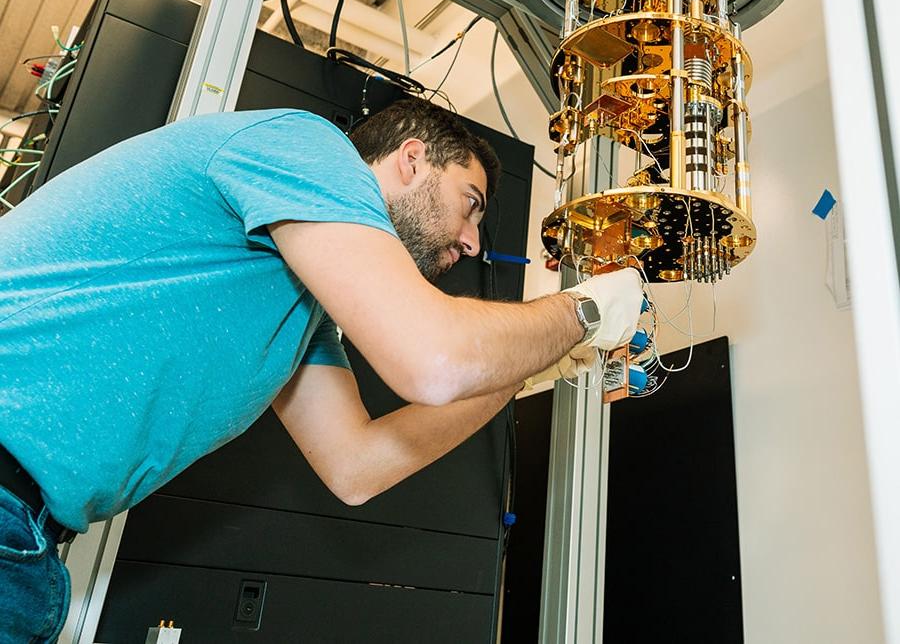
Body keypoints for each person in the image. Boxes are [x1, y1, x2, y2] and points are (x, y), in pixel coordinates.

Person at [0, 97, 643, 641]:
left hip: (30, 536)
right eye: (469, 203)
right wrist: (583, 308)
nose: (474, 241)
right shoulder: (307, 145)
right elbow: (437, 359)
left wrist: (530, 363)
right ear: (411, 158)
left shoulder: (299, 307)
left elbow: (357, 466)